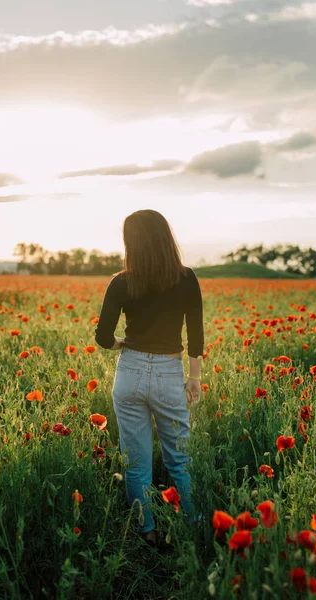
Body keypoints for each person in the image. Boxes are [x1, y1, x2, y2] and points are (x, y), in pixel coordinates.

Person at [94, 209, 204, 548]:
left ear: (131, 243)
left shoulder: (122, 281)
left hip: (129, 373)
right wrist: (194, 377)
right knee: (179, 460)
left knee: (136, 461)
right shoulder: (186, 278)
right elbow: (196, 333)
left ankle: (147, 531)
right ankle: (191, 528)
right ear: (165, 238)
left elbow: (102, 337)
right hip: (170, 374)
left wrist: (121, 344)